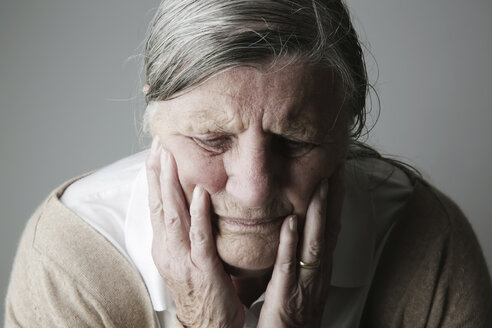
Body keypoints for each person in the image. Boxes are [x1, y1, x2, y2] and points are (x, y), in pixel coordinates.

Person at [5, 0, 492, 327]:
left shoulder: (427, 243)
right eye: (212, 139)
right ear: (155, 117)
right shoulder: (70, 261)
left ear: (346, 127)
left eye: (294, 140)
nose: (254, 189)